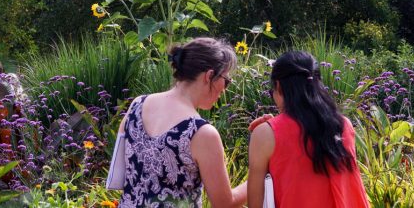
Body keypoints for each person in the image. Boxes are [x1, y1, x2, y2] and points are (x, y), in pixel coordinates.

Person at [116, 37, 246, 208]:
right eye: (226, 80)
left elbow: (120, 169)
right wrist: (260, 173)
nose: (225, 88)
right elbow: (224, 203)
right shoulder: (201, 133)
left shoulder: (137, 105)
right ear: (209, 76)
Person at [247, 51, 369, 208]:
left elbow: (255, 203)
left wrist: (269, 130)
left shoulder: (265, 134)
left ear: (278, 86)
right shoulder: (343, 125)